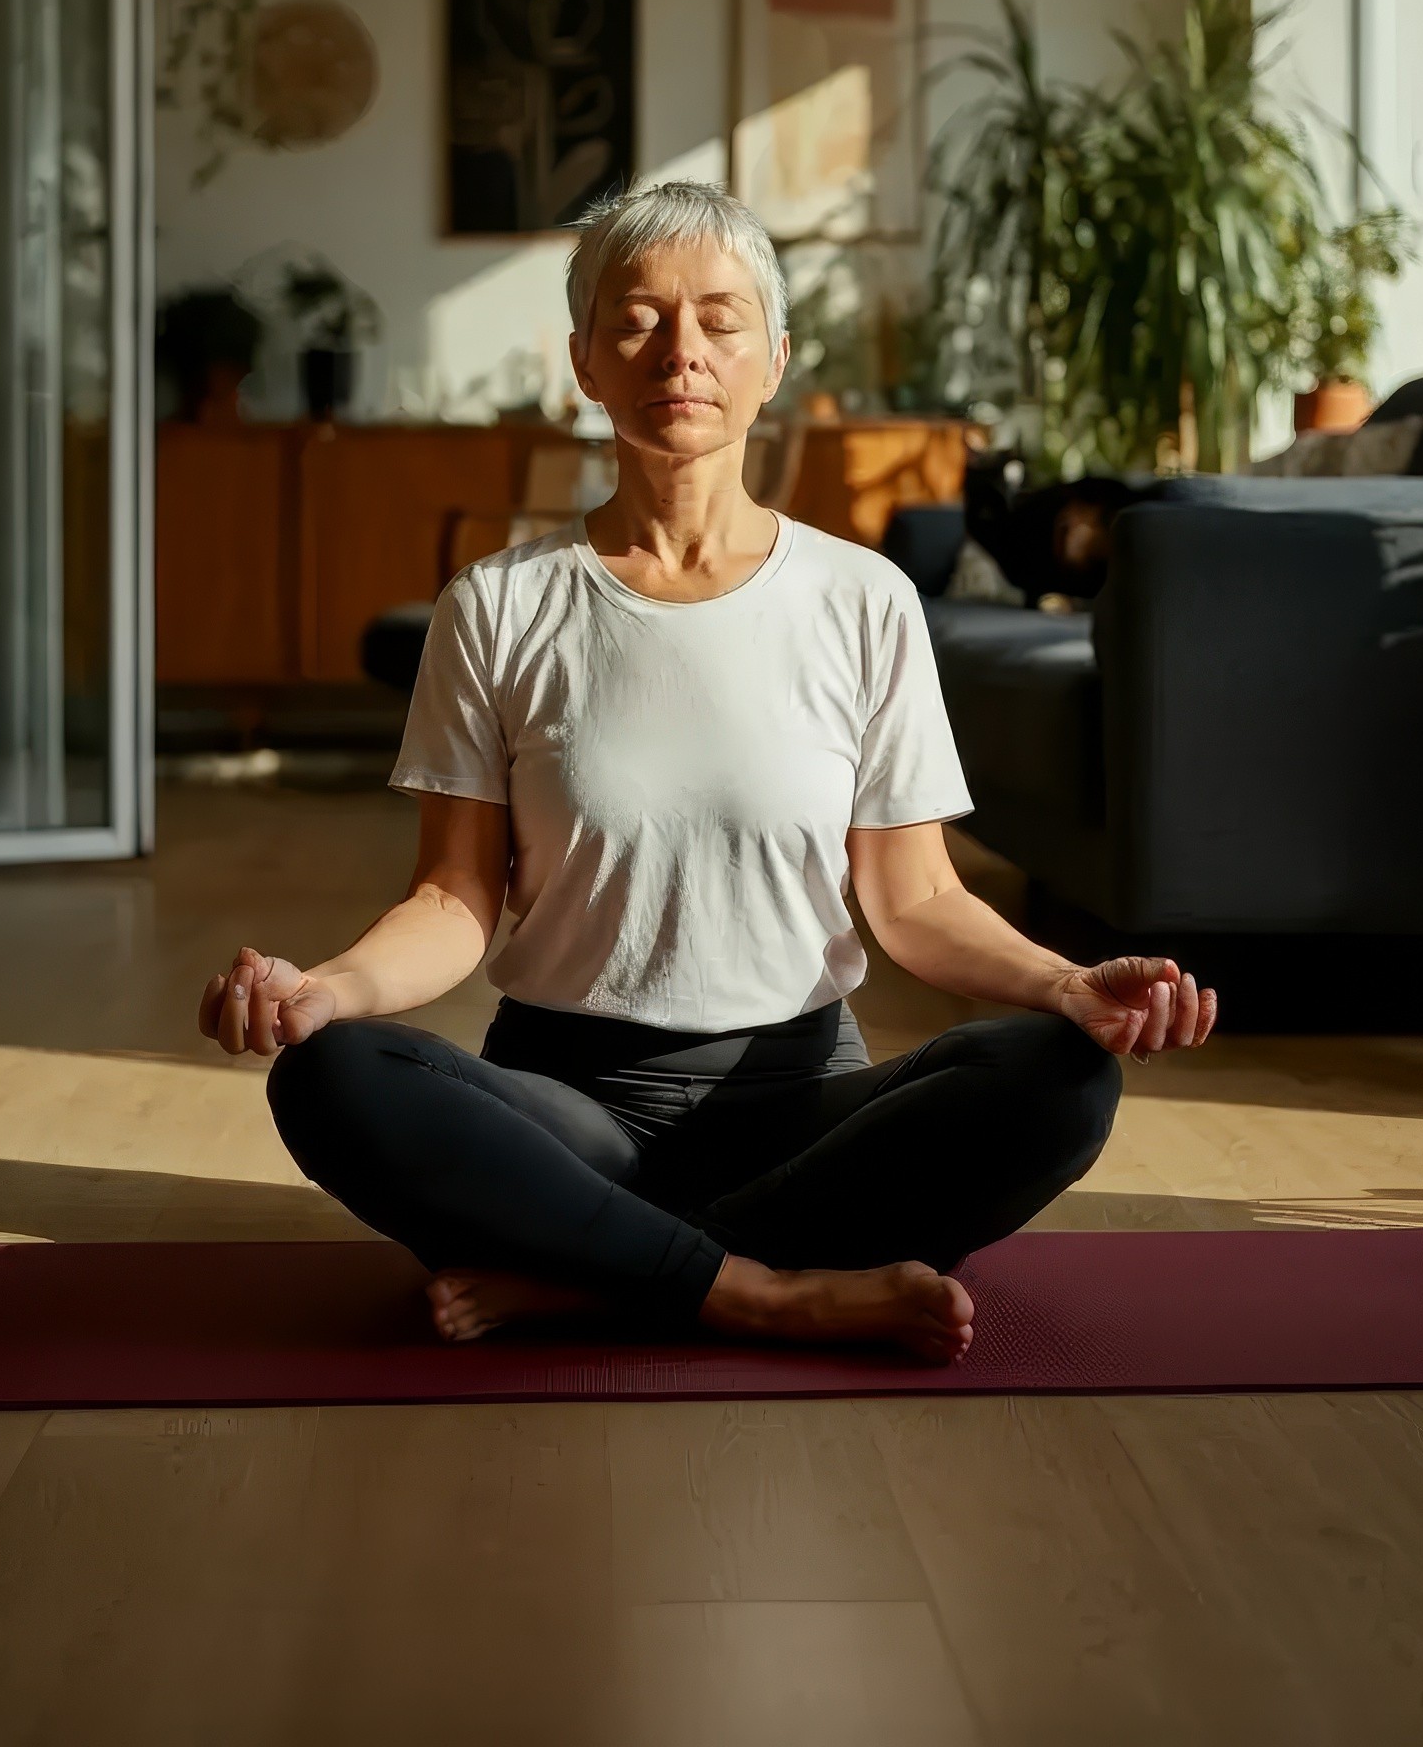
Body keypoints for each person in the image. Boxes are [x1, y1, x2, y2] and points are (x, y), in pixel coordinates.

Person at [200, 181, 1218, 1361]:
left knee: (1062, 1077)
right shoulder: (497, 605)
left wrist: (1065, 984)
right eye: (637, 319)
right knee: (334, 1074)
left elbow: (919, 900)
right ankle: (768, 1292)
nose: (681, 351)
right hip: (563, 1106)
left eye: (721, 318)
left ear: (773, 357)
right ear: (585, 359)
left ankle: (593, 1274)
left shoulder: (860, 600)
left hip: (806, 1105)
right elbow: (454, 899)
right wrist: (325, 987)